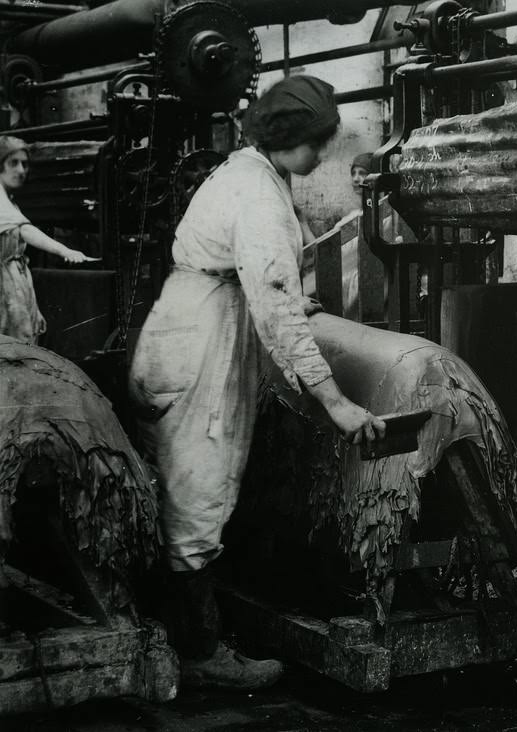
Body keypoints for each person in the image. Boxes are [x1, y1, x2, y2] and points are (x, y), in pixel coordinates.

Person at [128, 75, 386, 690]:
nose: (323, 155)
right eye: (318, 143)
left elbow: (268, 285)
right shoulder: (261, 197)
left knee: (184, 486)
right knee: (199, 488)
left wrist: (295, 302)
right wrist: (336, 402)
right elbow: (271, 302)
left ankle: (177, 635)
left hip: (191, 322)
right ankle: (200, 656)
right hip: (204, 345)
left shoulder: (247, 170)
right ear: (292, 138)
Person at [0, 136, 97, 343]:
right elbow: (25, 231)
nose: (21, 170)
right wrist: (65, 251)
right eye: (13, 163)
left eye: (24, 164)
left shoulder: (9, 200)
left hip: (14, 281)